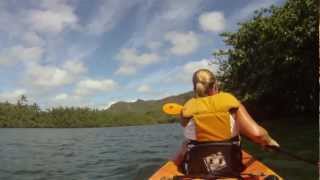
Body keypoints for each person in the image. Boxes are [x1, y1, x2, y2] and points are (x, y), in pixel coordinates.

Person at [177, 69, 279, 178]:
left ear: (195, 87)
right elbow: (257, 134)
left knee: (185, 144)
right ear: (215, 85)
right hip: (229, 167)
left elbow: (184, 126)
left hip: (197, 169)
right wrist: (268, 141)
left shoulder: (187, 109)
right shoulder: (230, 103)